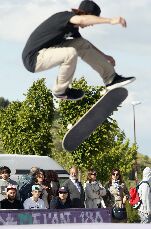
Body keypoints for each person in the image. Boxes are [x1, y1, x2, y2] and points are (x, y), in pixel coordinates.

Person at [22, 0, 135, 101]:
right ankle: (60, 91)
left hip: (48, 51)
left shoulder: (73, 28)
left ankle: (111, 79)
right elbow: (82, 19)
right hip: (34, 58)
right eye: (91, 21)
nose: (91, 25)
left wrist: (105, 56)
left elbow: (86, 44)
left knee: (81, 43)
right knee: (70, 53)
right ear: (86, 14)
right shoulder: (65, 16)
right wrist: (110, 20)